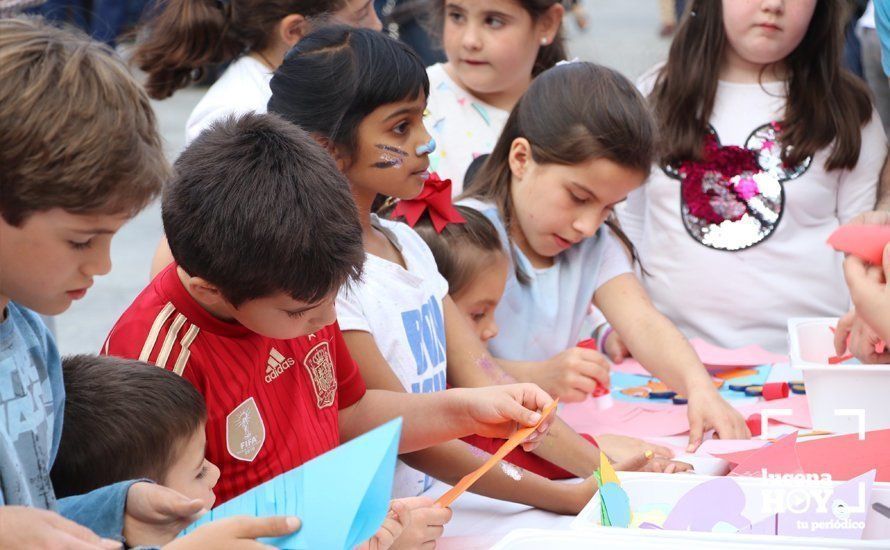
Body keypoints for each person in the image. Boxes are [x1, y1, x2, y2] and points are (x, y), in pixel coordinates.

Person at [268, 26, 683, 512]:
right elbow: (408, 433)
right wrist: (569, 493)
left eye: (422, 119)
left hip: (426, 513)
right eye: (401, 128)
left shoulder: (405, 244)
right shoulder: (324, 280)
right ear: (328, 148)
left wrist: (596, 468)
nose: (426, 142)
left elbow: (488, 379)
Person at [102, 112, 556, 546]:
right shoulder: (155, 361)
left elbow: (350, 413)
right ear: (211, 291)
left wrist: (469, 409)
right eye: (301, 313)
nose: (325, 322)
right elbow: (169, 537)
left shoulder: (300, 286)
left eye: (333, 300)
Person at [0, 16, 300, 549]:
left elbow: (33, 516)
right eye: (79, 240)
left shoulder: (27, 329)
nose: (103, 265)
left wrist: (113, 510)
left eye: (113, 235)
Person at [460, 60, 750, 451]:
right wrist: (537, 377)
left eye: (609, 208)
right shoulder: (464, 238)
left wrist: (700, 389)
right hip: (474, 452)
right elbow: (446, 370)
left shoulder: (593, 244)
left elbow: (643, 323)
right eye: (579, 197)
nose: (588, 225)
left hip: (539, 441)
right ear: (522, 159)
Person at [620, 0, 886, 354]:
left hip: (809, 362)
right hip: (668, 362)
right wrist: (620, 325)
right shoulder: (657, 93)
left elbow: (860, 246)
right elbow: (627, 223)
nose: (773, 5)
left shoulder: (849, 111)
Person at [133, 0, 381, 144]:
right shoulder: (236, 117)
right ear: (295, 31)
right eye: (361, 14)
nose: (377, 25)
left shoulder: (323, 84)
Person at [422, 0, 565, 193]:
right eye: (457, 16)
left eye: (494, 21)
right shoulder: (415, 101)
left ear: (547, 23)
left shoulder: (574, 109)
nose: (470, 41)